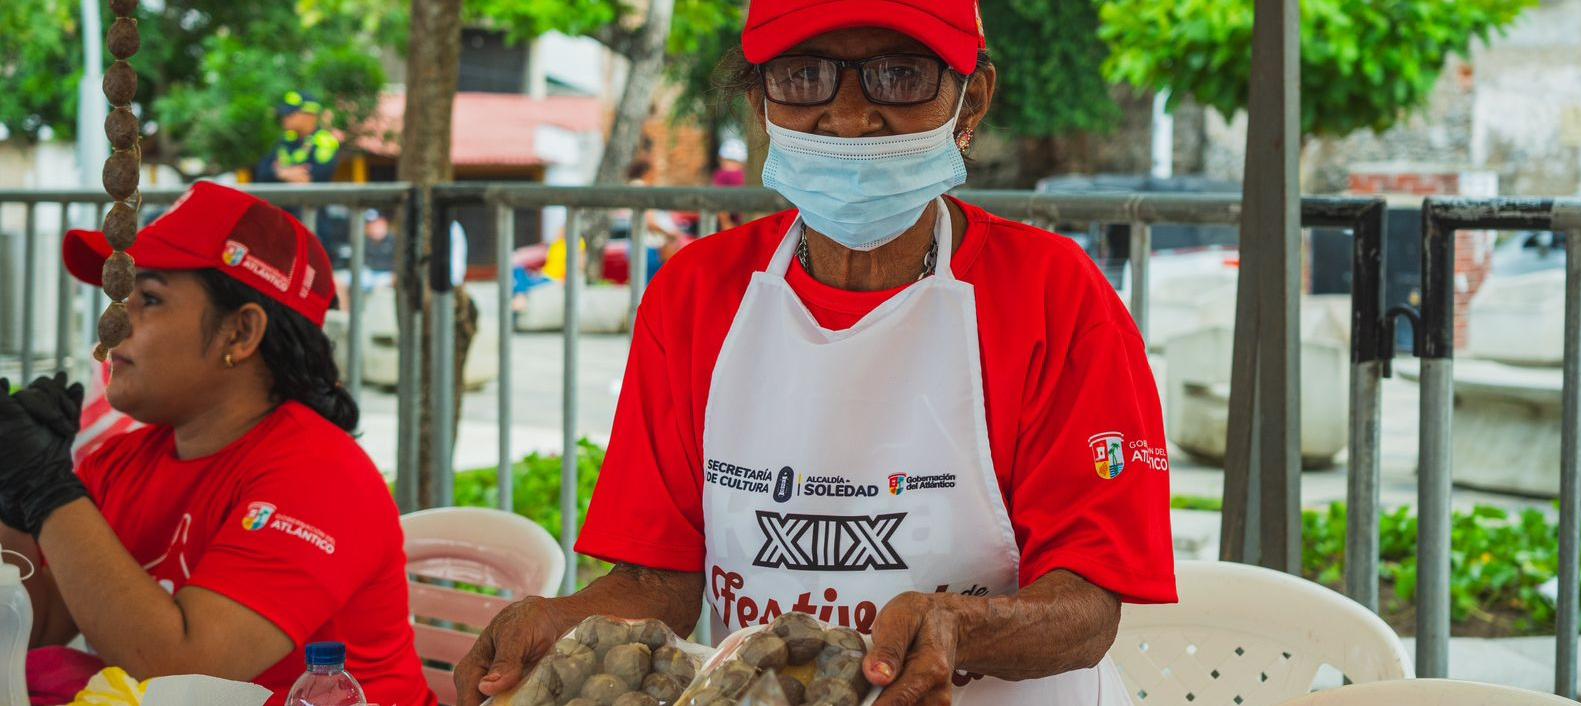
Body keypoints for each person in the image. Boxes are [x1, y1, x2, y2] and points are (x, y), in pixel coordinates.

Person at [456, 1, 1176, 704]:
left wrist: (963, 624)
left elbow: (1087, 607)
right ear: (761, 101)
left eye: (901, 75)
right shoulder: (696, 295)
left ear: (973, 99)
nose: (852, 116)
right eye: (804, 76)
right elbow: (658, 582)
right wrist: (557, 621)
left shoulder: (1053, 296)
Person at [0, 182, 436, 706]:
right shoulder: (123, 461)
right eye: (119, 299)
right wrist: (14, 496)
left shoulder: (320, 474)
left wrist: (49, 492)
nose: (111, 325)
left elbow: (183, 670)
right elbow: (34, 624)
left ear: (240, 334)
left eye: (151, 300)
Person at [254, 90, 341, 185]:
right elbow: (261, 173)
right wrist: (282, 173)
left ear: (309, 115)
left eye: (289, 113)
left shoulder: (325, 140)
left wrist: (279, 171)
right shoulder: (286, 139)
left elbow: (316, 177)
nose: (284, 117)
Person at [711, 139, 748, 231]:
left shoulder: (721, 175)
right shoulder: (744, 175)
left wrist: (726, 223)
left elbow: (717, 199)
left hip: (728, 223)